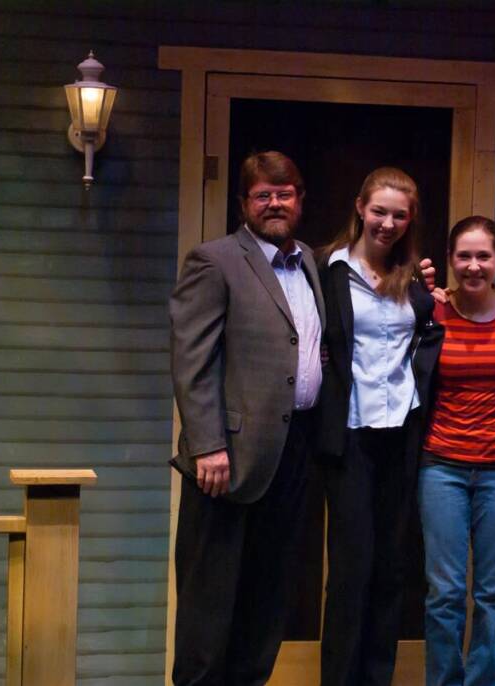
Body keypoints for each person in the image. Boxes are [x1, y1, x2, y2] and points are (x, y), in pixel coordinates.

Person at [168, 150, 324, 686]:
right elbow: (192, 359)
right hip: (227, 460)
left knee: (268, 599)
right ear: (244, 204)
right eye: (263, 195)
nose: (275, 203)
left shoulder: (309, 262)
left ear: (300, 201)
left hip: (293, 454)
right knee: (210, 605)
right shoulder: (215, 261)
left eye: (284, 194)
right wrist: (208, 443)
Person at [316, 167, 442, 686]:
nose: (387, 223)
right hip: (349, 435)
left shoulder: (413, 280)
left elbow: (427, 341)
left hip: (403, 433)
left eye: (399, 215)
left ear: (409, 220)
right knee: (351, 571)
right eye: (379, 211)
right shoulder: (326, 271)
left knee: (392, 569)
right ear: (360, 208)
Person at [419, 216, 495, 686]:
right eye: (464, 256)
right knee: (444, 593)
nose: (474, 266)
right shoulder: (434, 311)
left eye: (483, 255)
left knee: (492, 594)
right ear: (450, 261)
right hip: (442, 466)